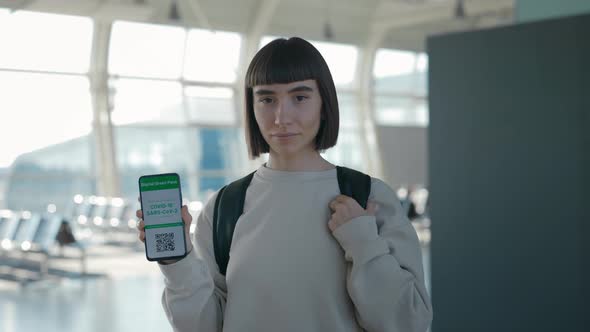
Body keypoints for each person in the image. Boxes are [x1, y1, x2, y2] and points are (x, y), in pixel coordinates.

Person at [136, 37, 432, 332]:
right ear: (252, 107)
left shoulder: (369, 197)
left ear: (324, 104)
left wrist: (364, 243)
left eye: (299, 97)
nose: (281, 117)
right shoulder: (224, 207)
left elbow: (411, 323)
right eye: (267, 99)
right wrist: (178, 262)